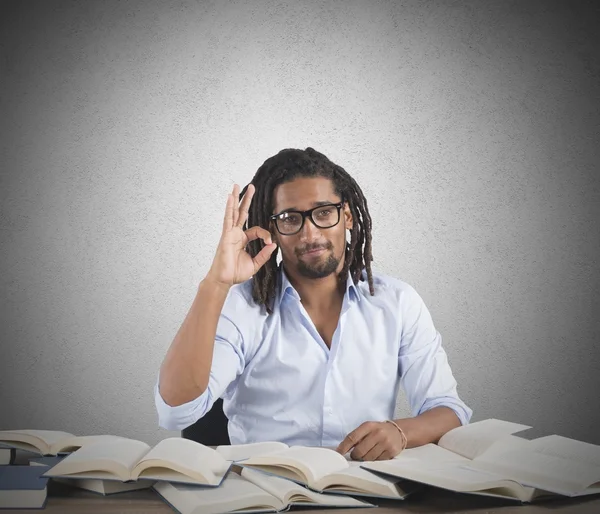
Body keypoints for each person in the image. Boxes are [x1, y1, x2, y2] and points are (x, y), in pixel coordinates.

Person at [155, 147, 472, 461]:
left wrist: (400, 432)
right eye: (290, 218)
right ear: (273, 231)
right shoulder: (242, 307)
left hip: (365, 492)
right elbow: (176, 412)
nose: (310, 233)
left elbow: (448, 409)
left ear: (346, 216)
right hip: (265, 495)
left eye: (323, 213)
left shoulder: (398, 303)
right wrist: (216, 283)